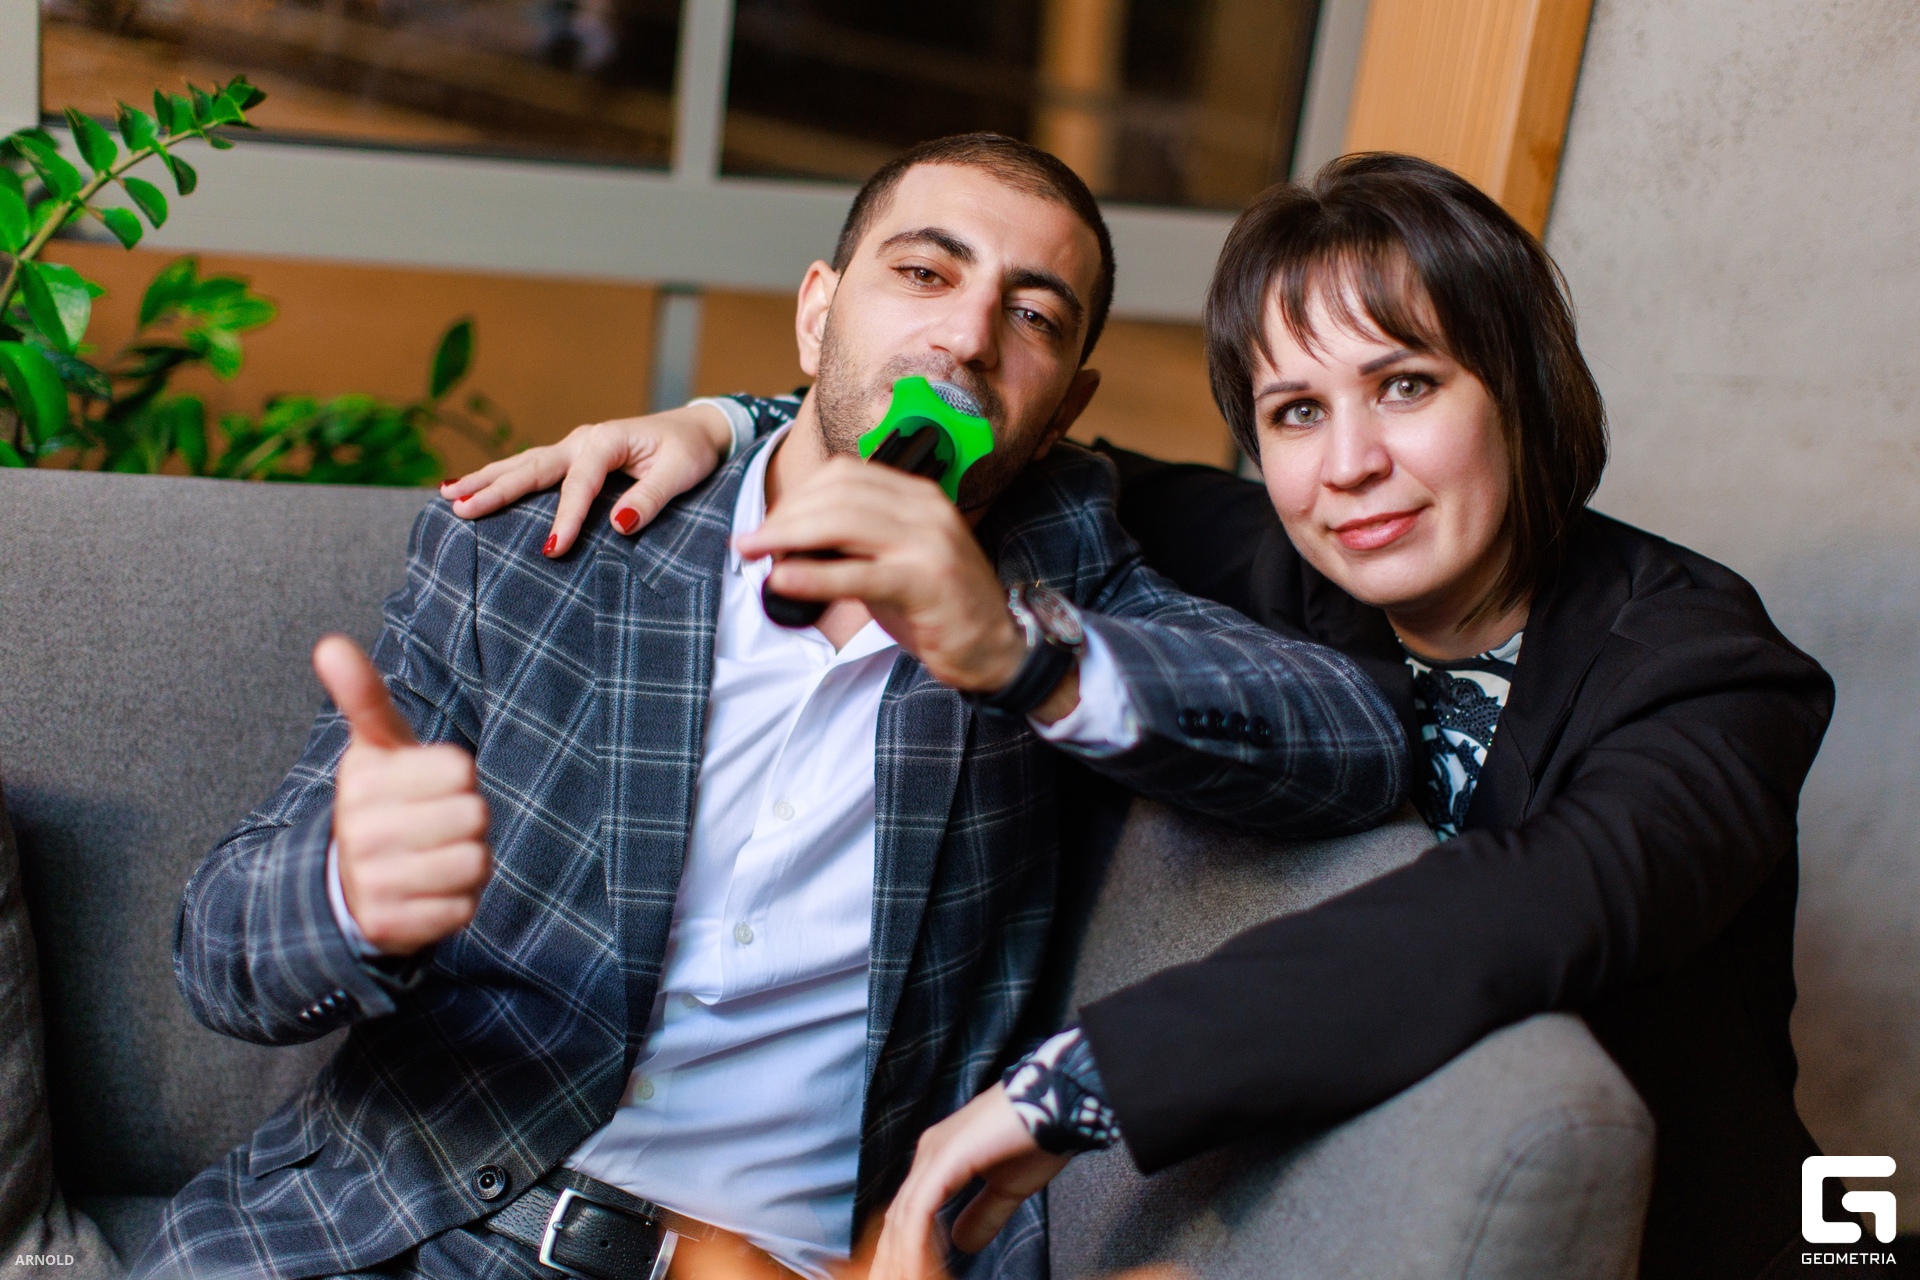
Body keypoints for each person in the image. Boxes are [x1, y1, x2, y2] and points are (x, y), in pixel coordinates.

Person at [472, 154, 1836, 1280]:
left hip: (1698, 1236)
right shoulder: (1266, 551)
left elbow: (1524, 906)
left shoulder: (1710, 664)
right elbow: (987, 420)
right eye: (1294, 411)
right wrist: (725, 427)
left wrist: (1070, 1087)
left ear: (1523, 385)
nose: (1351, 464)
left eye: (1407, 385)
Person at [141, 135, 1407, 1280]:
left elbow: (1353, 738)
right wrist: (347, 896)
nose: (967, 337)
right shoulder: (536, 551)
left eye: (1032, 314)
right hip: (406, 1232)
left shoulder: (1059, 584)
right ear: (816, 315)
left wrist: (1017, 651)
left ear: (1066, 404)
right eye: (924, 272)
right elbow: (222, 954)